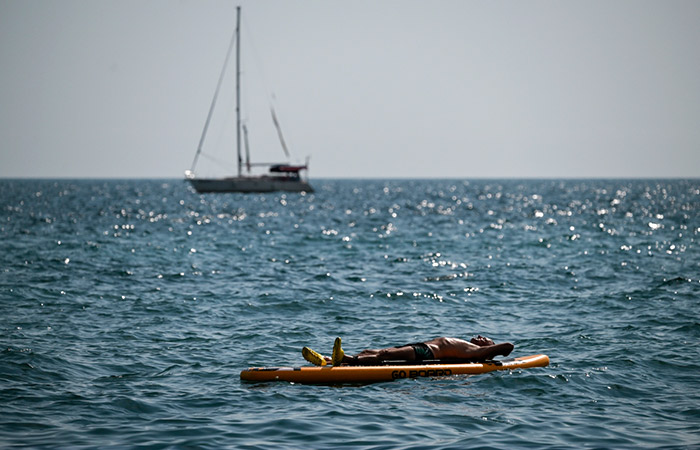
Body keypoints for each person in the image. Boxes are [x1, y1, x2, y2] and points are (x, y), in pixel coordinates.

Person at [302, 336, 514, 367]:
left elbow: (508, 348)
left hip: (427, 353)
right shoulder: (474, 349)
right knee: (371, 350)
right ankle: (329, 361)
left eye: (482, 336)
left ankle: (345, 359)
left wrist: (490, 350)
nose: (478, 336)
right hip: (422, 347)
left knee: (384, 355)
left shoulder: (478, 351)